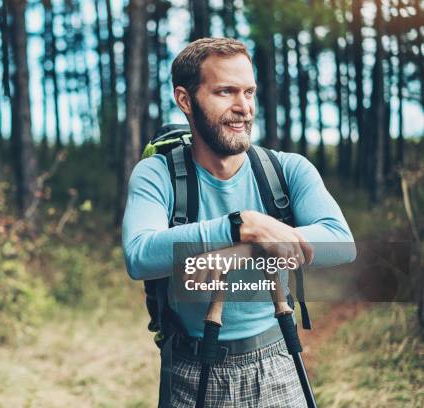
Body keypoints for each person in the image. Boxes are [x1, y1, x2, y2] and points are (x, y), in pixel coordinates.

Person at [121, 37, 356, 407]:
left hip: (279, 360)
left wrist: (242, 248)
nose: (243, 107)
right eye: (225, 92)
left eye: (249, 92)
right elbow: (139, 256)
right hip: (190, 368)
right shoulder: (158, 175)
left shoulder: (286, 169)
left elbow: (341, 242)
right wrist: (238, 225)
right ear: (185, 100)